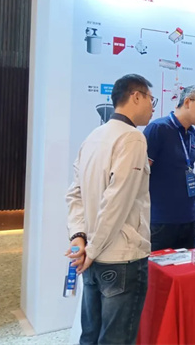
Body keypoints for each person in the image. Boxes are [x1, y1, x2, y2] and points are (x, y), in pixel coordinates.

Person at [65, 74, 155, 344]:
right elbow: (117, 201)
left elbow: (75, 194)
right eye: (151, 100)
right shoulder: (133, 138)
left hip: (92, 256)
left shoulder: (94, 136)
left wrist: (78, 237)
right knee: (116, 338)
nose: (152, 107)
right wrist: (91, 249)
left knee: (90, 335)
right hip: (121, 258)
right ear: (136, 97)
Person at [144, 85, 195, 251]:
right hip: (161, 220)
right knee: (158, 267)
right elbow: (142, 173)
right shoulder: (158, 129)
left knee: (186, 266)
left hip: (189, 218)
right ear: (187, 102)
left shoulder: (192, 133)